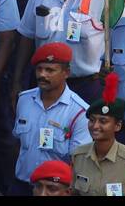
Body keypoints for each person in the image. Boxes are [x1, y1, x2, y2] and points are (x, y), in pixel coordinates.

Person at [11, 42, 90, 195]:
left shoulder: (80, 112)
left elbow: (78, 162)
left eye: (50, 70)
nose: (42, 75)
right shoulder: (24, 100)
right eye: (39, 69)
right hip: (22, 186)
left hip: (54, 191)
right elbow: (18, 143)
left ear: (66, 72)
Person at [70, 73, 125, 195]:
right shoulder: (79, 156)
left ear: (117, 126)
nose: (95, 126)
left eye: (103, 121)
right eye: (92, 120)